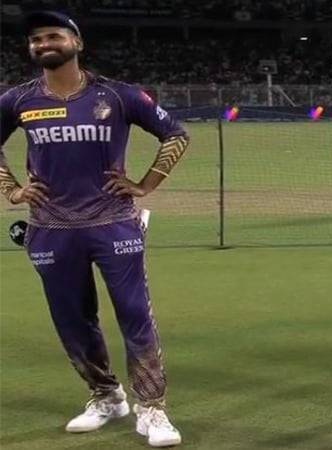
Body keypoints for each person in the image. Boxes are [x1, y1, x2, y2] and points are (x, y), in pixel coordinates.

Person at [0, 11, 189, 447]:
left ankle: (152, 409)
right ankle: (105, 396)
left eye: (53, 35)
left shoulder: (118, 95)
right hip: (50, 228)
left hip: (114, 224)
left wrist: (145, 184)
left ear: (76, 43)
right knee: (72, 319)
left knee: (134, 314)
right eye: (36, 39)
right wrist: (12, 190)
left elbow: (175, 134)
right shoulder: (19, 100)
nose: (43, 43)